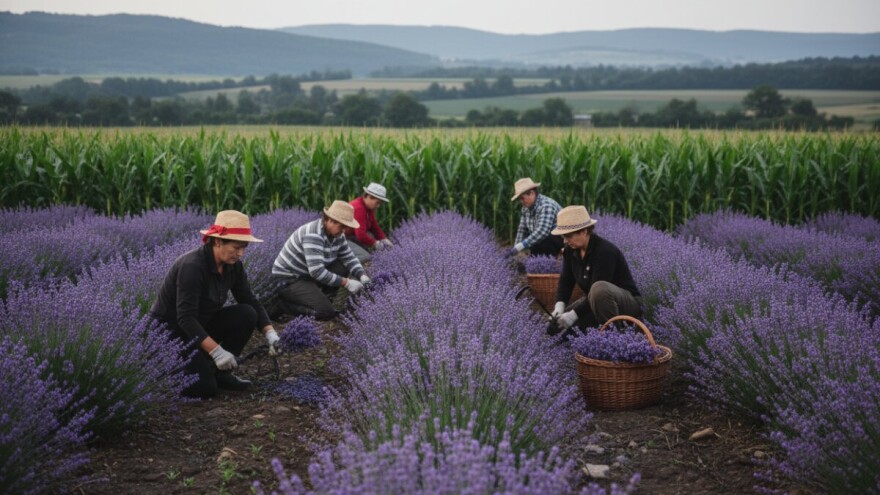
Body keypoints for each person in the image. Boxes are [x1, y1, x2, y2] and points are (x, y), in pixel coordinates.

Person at [149, 210, 279, 399]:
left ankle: (221, 372)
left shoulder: (233, 266)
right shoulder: (192, 266)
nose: (241, 253)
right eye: (236, 247)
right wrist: (217, 352)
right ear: (218, 241)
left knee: (247, 313)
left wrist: (269, 333)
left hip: (199, 327)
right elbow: (185, 318)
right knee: (205, 389)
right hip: (171, 335)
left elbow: (249, 299)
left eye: (244, 248)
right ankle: (170, 370)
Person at [549, 206, 643, 337]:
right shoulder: (571, 250)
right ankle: (597, 334)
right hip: (593, 302)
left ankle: (614, 336)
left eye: (568, 235)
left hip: (624, 303)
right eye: (563, 236)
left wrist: (573, 315)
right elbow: (566, 281)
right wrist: (559, 307)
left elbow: (599, 291)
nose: (565, 240)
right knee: (556, 328)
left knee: (598, 288)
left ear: (584, 231)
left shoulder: (604, 252)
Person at [270, 200, 371, 321]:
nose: (344, 231)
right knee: (325, 313)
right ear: (330, 220)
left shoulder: (337, 234)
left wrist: (362, 275)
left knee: (343, 264)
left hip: (307, 274)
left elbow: (348, 257)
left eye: (346, 227)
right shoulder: (314, 235)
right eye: (342, 226)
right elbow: (317, 271)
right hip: (289, 279)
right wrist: (346, 283)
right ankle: (281, 306)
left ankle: (324, 300)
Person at [506, 177, 564, 258]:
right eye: (520, 199)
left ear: (532, 193)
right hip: (542, 240)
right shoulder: (526, 208)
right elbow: (522, 229)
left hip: (561, 240)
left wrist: (520, 246)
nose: (521, 202)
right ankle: (537, 264)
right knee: (534, 242)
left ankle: (548, 264)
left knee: (542, 241)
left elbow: (542, 231)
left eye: (522, 198)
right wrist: (515, 249)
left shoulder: (546, 205)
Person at [345, 182, 393, 263]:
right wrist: (375, 243)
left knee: (370, 236)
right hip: (340, 238)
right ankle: (347, 265)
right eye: (377, 202)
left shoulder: (368, 208)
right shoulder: (359, 208)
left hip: (350, 236)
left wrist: (384, 239)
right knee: (365, 257)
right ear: (369, 197)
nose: (378, 206)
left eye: (380, 203)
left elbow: (374, 226)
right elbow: (360, 235)